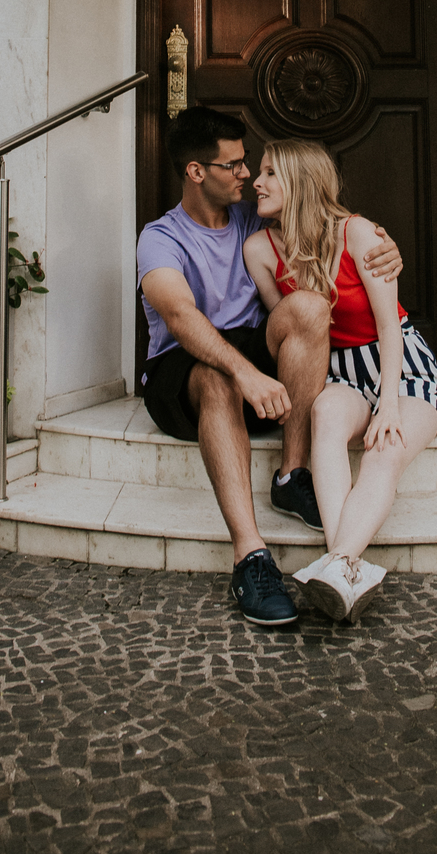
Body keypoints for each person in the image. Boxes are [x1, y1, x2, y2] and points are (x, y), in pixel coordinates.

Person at [137, 106, 402, 628]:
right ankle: (250, 556)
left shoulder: (251, 218)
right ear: (196, 172)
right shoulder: (160, 238)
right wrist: (245, 373)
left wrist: (385, 247)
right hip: (180, 372)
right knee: (216, 377)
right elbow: (180, 316)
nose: (246, 174)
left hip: (259, 371)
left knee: (307, 306)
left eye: (248, 163)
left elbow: (327, 223)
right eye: (233, 165)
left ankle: (291, 472)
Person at [242, 139, 437, 624]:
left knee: (384, 450)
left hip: (399, 367)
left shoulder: (360, 234)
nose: (257, 181)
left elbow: (388, 328)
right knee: (326, 415)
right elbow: (292, 328)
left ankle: (337, 565)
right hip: (339, 371)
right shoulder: (260, 250)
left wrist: (390, 405)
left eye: (270, 173)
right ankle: (345, 567)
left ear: (300, 182)